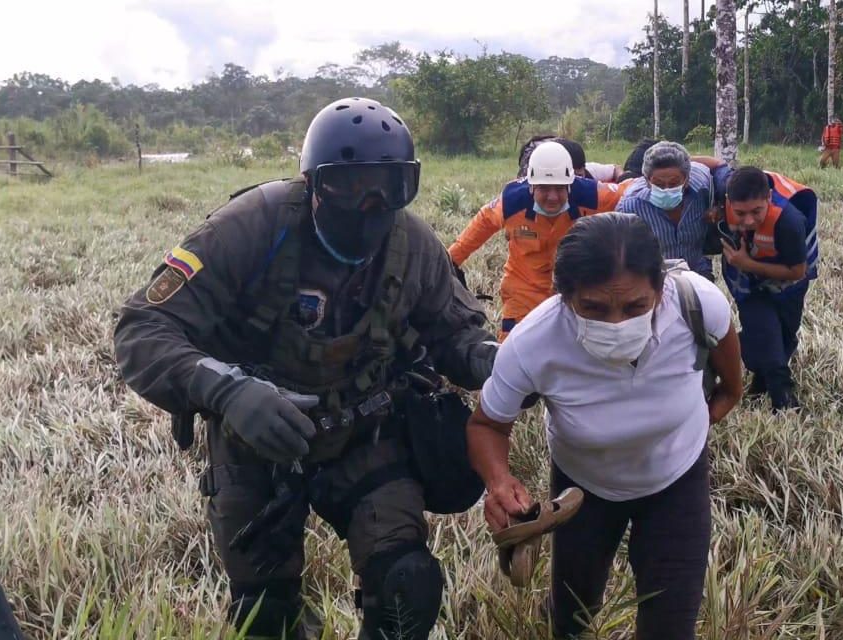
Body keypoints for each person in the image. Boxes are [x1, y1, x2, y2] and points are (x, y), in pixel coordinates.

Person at [112, 97, 499, 640]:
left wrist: (495, 362)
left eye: (390, 186)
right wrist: (228, 392)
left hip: (368, 432)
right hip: (258, 441)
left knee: (405, 587)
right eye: (351, 184)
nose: (371, 204)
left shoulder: (413, 245)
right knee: (264, 615)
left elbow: (453, 332)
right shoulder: (249, 228)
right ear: (316, 183)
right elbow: (140, 331)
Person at [466, 213, 744, 639]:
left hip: (677, 483)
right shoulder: (533, 342)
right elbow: (487, 423)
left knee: (670, 624)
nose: (616, 325)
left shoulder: (698, 305)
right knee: (573, 612)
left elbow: (730, 387)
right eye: (593, 308)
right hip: (583, 491)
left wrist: (694, 425)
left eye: (635, 306)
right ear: (564, 296)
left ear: (660, 287)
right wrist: (499, 481)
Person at [449, 141, 625, 339]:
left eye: (559, 189)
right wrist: (448, 263)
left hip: (576, 285)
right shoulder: (512, 201)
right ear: (531, 186)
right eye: (544, 189)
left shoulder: (590, 195)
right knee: (514, 346)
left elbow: (631, 193)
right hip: (524, 287)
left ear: (570, 184)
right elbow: (479, 227)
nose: (552, 197)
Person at [718, 166, 818, 410]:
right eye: (740, 213)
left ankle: (761, 379)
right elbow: (712, 168)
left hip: (789, 284)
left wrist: (747, 263)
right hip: (748, 286)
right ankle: (784, 400)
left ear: (769, 199)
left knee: (783, 337)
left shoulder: (789, 221)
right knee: (765, 331)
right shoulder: (720, 200)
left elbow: (797, 271)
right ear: (728, 203)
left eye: (756, 212)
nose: (748, 221)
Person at [614, 141, 717, 280]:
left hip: (697, 271)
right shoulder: (630, 206)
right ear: (647, 181)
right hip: (655, 277)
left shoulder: (702, 188)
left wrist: (718, 208)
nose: (666, 189)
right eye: (659, 184)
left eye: (674, 183)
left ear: (687, 180)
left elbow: (719, 166)